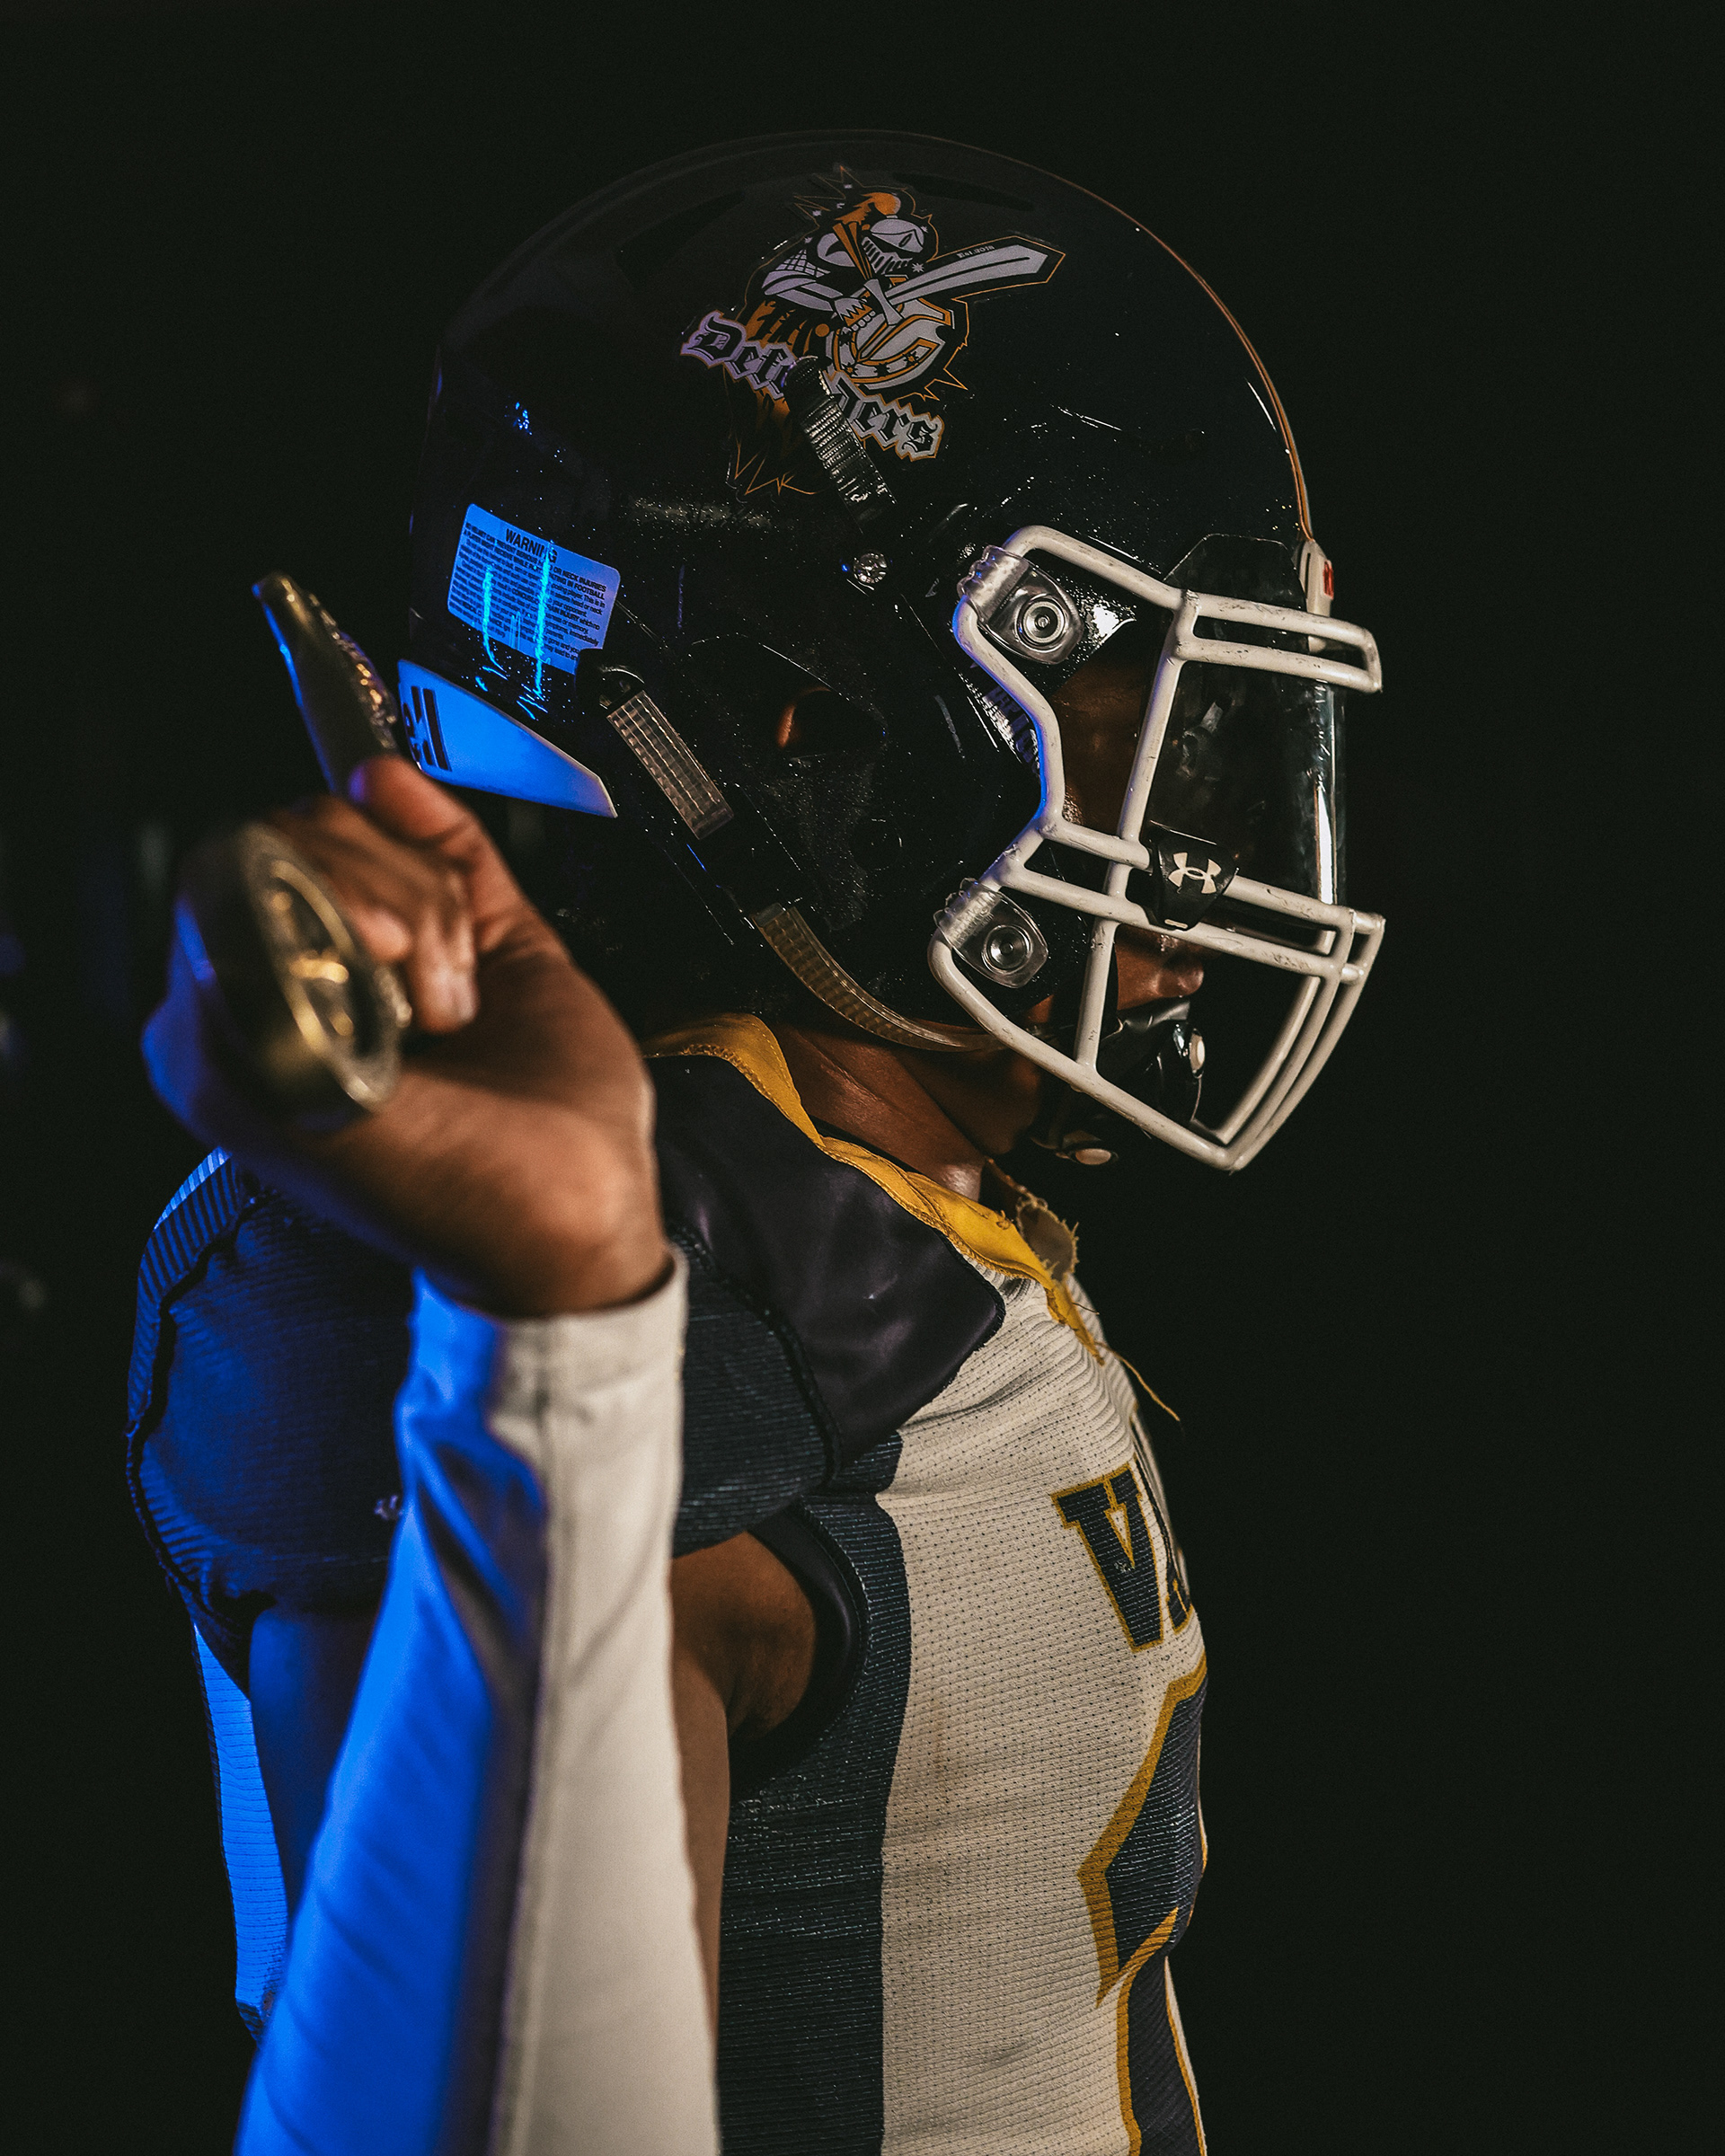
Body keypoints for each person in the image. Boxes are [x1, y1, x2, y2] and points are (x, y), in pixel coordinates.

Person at [130, 133, 1384, 2155]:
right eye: (1129, 696)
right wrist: (552, 1325)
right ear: (808, 733)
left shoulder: (871, 1201)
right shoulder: (663, 1277)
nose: (1216, 823)